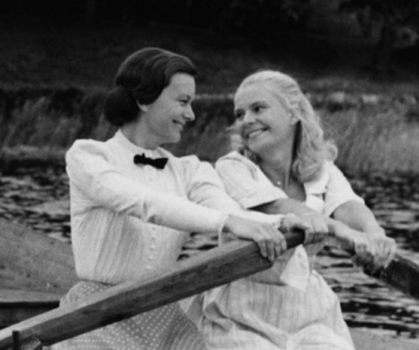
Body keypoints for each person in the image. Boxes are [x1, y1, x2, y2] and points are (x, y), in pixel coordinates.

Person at [51, 49, 311, 350]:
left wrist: (279, 222)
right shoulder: (89, 157)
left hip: (161, 312)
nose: (191, 114)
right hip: (96, 312)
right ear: (144, 100)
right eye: (182, 102)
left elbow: (228, 209)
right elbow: (146, 204)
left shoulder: (189, 169)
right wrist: (230, 222)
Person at [192, 70, 397, 350]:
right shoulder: (233, 166)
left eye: (258, 108)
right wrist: (337, 230)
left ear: (293, 113)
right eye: (240, 114)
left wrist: (375, 235)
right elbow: (275, 204)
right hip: (240, 310)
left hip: (307, 307)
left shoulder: (322, 169)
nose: (246, 121)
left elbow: (349, 206)